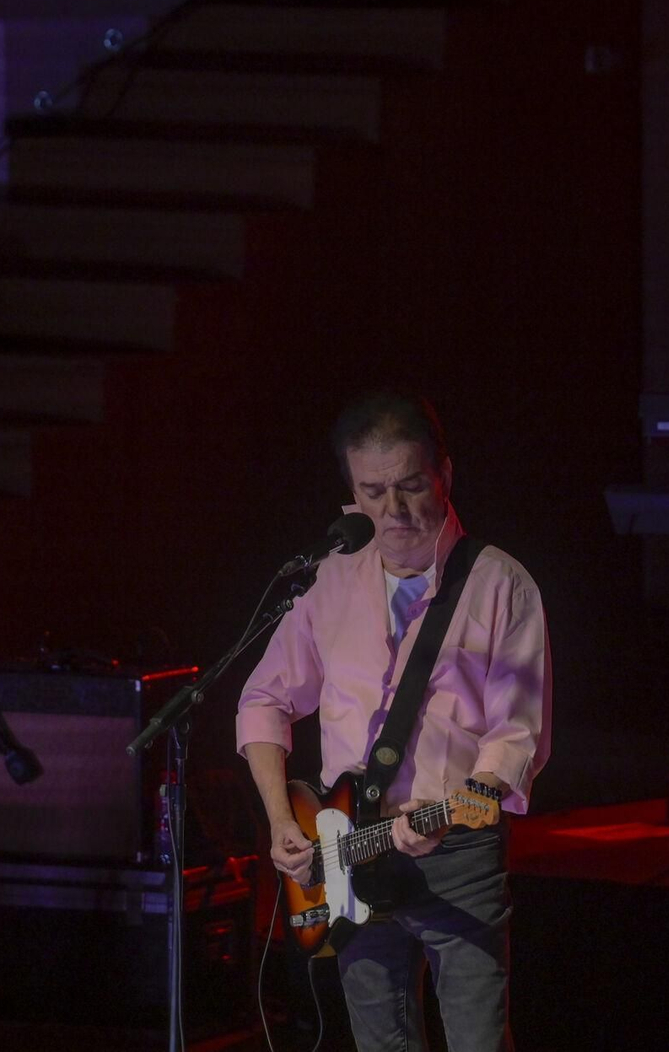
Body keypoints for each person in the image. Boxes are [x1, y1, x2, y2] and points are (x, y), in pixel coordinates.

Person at [237, 392, 551, 1052]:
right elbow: (263, 699)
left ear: (445, 474)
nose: (394, 511)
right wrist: (280, 820)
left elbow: (516, 735)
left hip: (454, 851)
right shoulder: (329, 579)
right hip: (345, 849)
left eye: (411, 486)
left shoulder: (500, 584)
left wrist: (475, 793)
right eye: (373, 492)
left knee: (478, 1042)